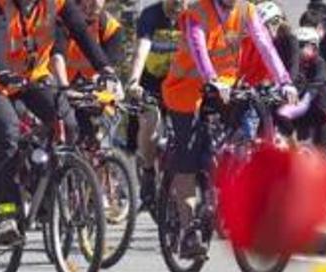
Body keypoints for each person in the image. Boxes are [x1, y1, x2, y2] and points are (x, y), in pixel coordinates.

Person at [0, 0, 117, 246]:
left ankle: (47, 187)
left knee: (68, 123)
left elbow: (80, 31)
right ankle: (4, 211)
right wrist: (2, 72)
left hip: (32, 77)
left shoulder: (55, 2)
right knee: (9, 133)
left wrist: (104, 67)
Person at [161, 0, 294, 258]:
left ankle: (224, 192)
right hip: (185, 92)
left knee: (236, 141)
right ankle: (188, 230)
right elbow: (199, 47)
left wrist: (284, 81)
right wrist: (211, 78)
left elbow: (264, 43)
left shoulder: (246, 10)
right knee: (187, 158)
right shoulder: (196, 12)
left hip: (225, 89)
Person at [125, 0, 182, 210]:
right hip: (151, 81)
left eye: (183, 2)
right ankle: (148, 173)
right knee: (150, 124)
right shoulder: (150, 15)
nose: (178, 5)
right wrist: (133, 81)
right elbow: (142, 49)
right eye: (174, 2)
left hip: (179, 83)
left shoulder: (192, 15)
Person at [59, 0, 126, 86]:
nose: (96, 2)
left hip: (94, 88)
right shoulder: (59, 20)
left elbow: (110, 66)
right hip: (57, 85)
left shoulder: (111, 28)